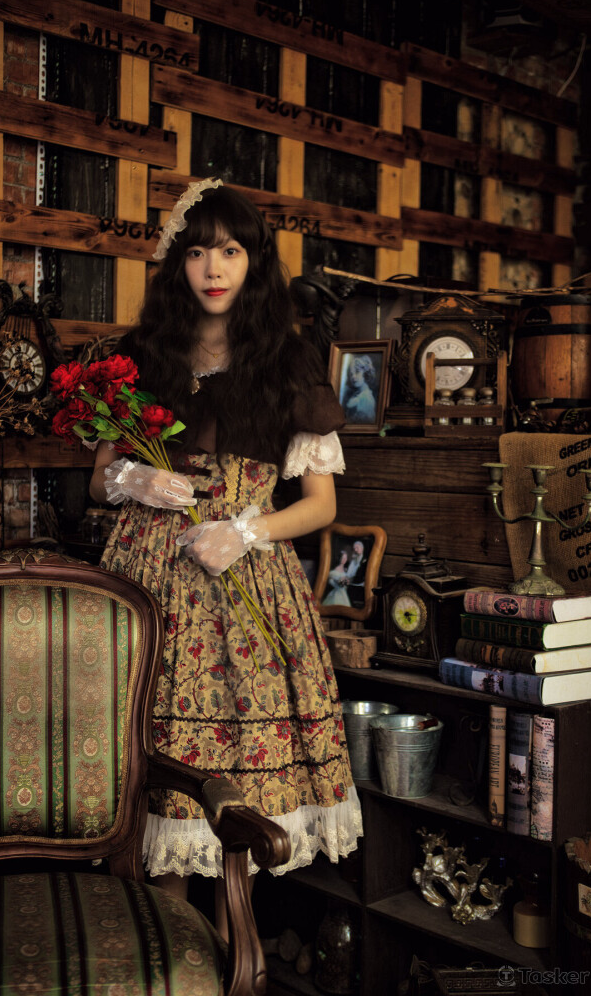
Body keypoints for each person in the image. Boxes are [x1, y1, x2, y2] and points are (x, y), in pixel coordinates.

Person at [89, 178, 363, 939]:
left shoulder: (288, 359)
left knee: (233, 768)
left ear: (254, 262)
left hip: (246, 577)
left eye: (231, 251)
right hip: (147, 576)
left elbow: (320, 505)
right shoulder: (142, 354)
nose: (214, 268)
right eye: (199, 252)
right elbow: (99, 478)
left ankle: (226, 954)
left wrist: (244, 532)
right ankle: (162, 950)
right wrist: (135, 478)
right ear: (177, 263)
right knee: (153, 764)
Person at [342, 354, 377, 424]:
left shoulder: (366, 398)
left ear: (365, 373)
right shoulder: (356, 394)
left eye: (357, 371)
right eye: (351, 374)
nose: (353, 377)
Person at [345, 539, 367, 606]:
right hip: (349, 585)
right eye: (354, 548)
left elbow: (360, 576)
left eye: (357, 548)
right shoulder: (352, 560)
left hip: (358, 587)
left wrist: (349, 580)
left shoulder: (365, 561)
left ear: (362, 549)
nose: (355, 550)